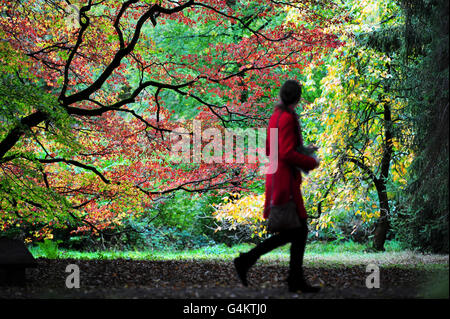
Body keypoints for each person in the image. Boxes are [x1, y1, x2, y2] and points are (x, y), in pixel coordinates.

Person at [233, 79, 321, 293]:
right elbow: (286, 152)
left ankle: (289, 277)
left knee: (297, 232)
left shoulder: (275, 117)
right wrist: (311, 161)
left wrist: (304, 150)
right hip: (285, 182)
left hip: (277, 177)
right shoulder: (288, 118)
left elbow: (272, 149)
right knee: (296, 232)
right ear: (298, 98)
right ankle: (250, 262)